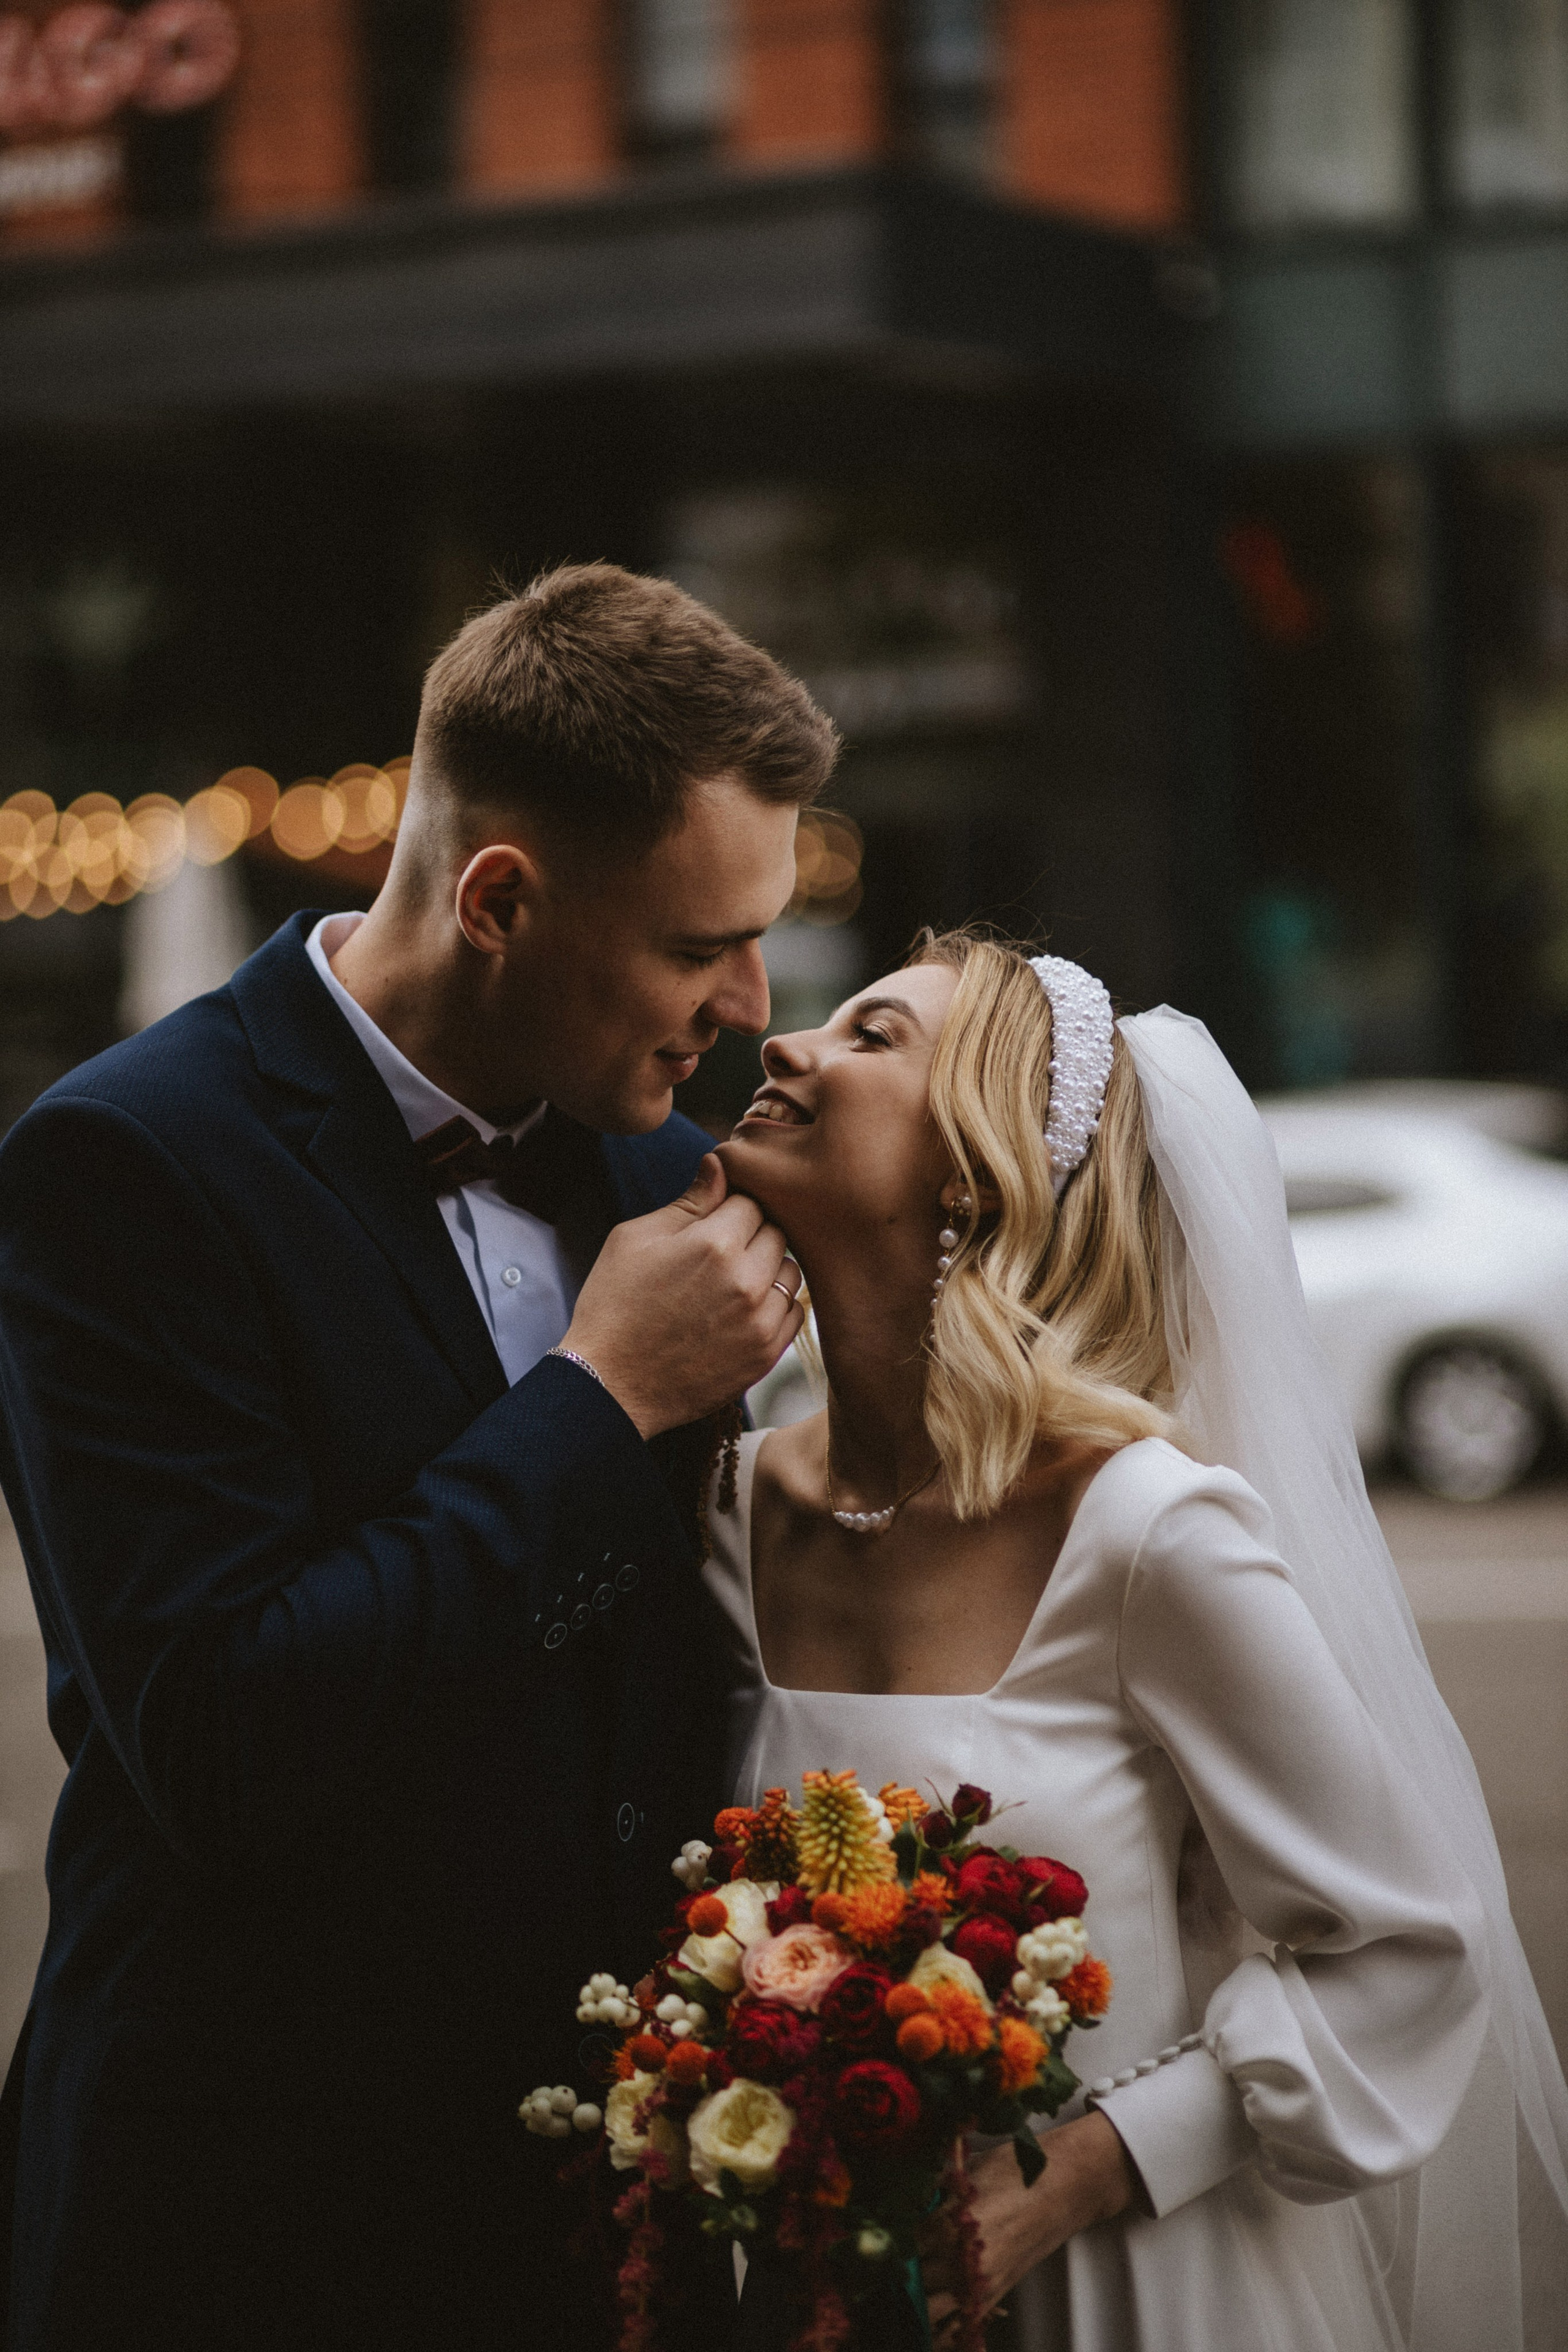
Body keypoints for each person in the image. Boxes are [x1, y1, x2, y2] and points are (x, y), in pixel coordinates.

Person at [0, 564, 827, 2352]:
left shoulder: (645, 1170)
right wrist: (600, 1401)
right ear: (503, 899)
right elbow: (219, 1730)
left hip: (607, 2216)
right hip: (256, 2221)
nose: (750, 1002)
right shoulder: (124, 1169)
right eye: (700, 945)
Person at [704, 929, 1568, 2351]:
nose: (782, 1043)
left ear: (971, 1175)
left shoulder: (1145, 1531)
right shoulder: (731, 1513)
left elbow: (1409, 1947)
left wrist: (1081, 2171)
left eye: (871, 1038)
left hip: (1131, 2291)